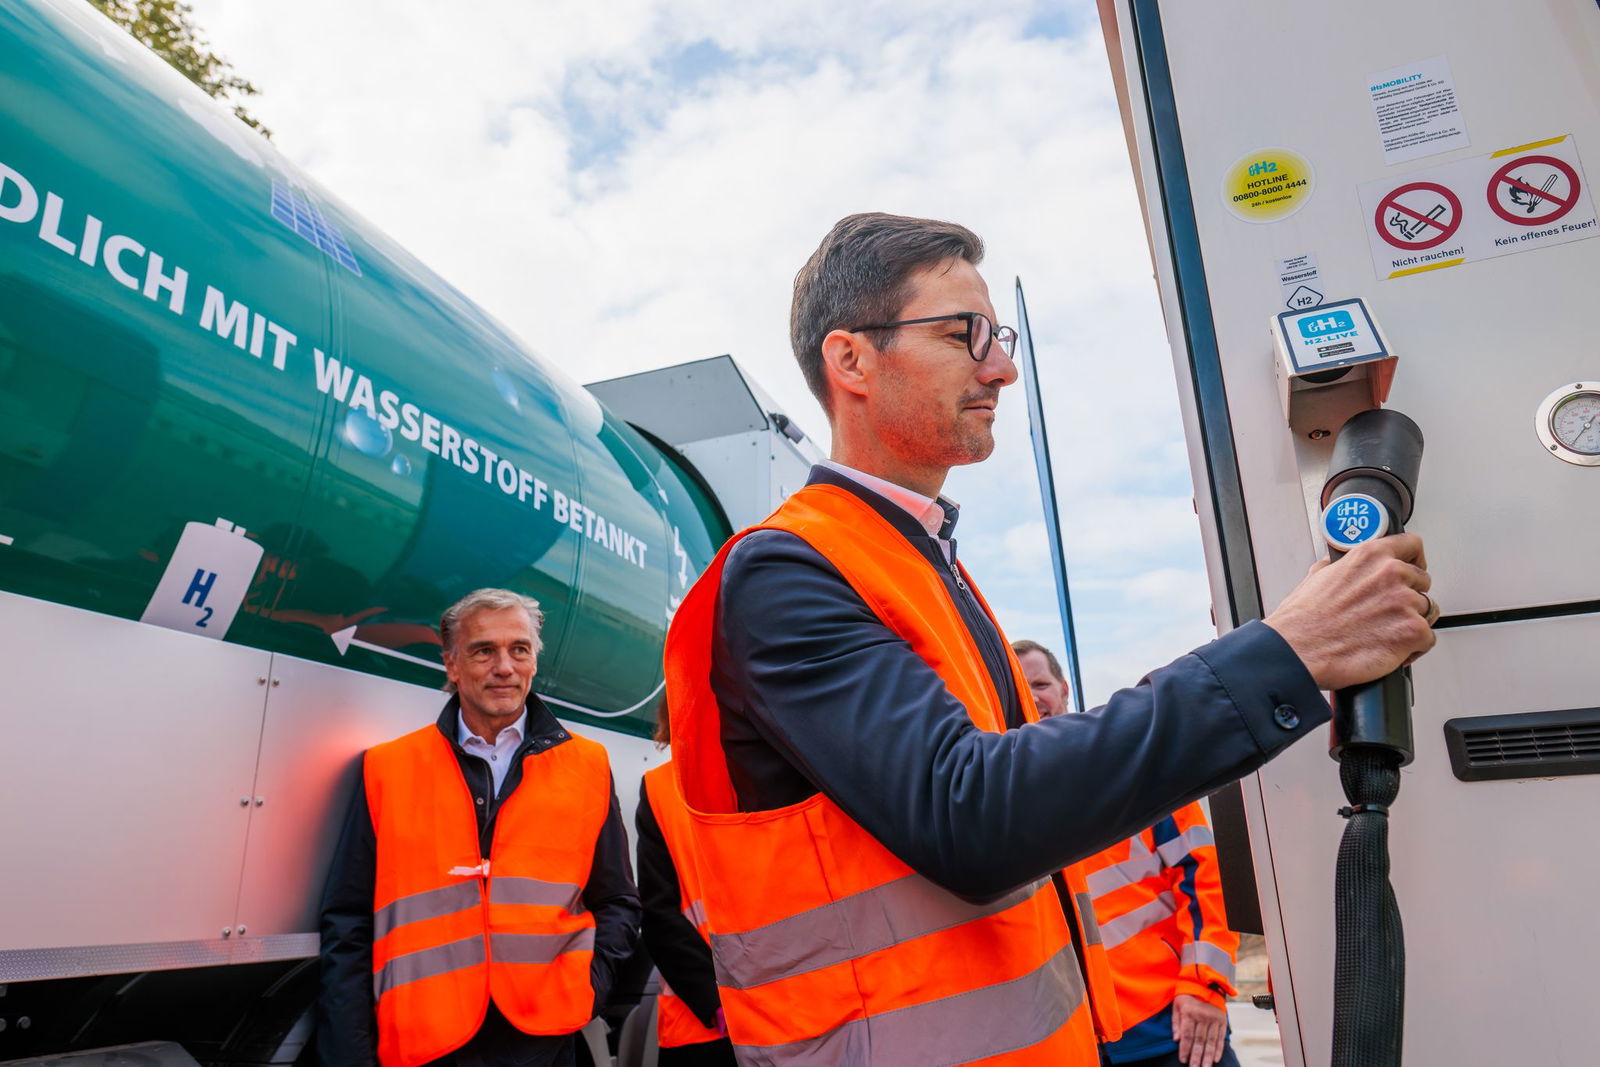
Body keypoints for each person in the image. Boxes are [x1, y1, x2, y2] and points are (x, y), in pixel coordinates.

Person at [661, 212, 1438, 1066]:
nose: (1001, 367)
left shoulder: (921, 562)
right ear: (851, 360)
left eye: (999, 338)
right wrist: (1285, 650)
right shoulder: (784, 573)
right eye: (964, 333)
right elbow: (972, 815)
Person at [317, 588, 641, 1067]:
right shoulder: (387, 768)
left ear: (534, 661)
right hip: (425, 1045)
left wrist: (588, 988)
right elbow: (349, 921)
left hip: (542, 1042)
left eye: (519, 649)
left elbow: (617, 900)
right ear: (451, 664)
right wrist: (350, 1053)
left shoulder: (587, 765)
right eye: (483, 650)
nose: (504, 667)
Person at [1014, 639, 1241, 1066]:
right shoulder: (1002, 805)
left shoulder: (1130, 767)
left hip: (1174, 1025)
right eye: (1021, 688)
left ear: (1064, 689)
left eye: (1040, 684)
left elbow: (1204, 876)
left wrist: (1205, 985)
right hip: (1074, 1043)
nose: (1033, 697)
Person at [635, 712, 737, 1066]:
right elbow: (657, 915)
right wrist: (716, 1002)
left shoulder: (779, 773)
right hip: (703, 1025)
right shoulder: (659, 788)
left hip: (787, 1016)